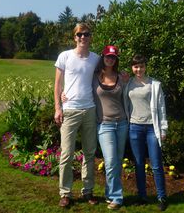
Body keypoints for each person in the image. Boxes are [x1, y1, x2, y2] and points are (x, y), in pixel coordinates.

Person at [54, 22, 100, 208]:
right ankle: (65, 193)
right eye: (80, 34)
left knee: (89, 153)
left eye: (86, 34)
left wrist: (123, 76)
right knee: (66, 154)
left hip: (89, 110)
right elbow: (57, 85)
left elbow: (108, 73)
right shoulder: (65, 56)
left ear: (90, 37)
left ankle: (87, 191)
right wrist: (58, 107)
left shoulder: (96, 58)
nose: (83, 37)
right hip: (70, 110)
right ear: (75, 37)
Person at [124, 54, 168, 211]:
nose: (139, 69)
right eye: (136, 66)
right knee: (139, 164)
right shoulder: (128, 84)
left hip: (151, 129)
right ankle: (142, 196)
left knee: (156, 165)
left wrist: (163, 128)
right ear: (132, 68)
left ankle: (161, 197)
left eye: (141, 66)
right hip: (134, 127)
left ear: (145, 66)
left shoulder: (154, 84)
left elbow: (161, 107)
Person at [93, 45, 128, 210]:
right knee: (110, 161)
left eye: (113, 57)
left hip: (121, 124)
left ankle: (109, 193)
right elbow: (79, 86)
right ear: (103, 57)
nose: (110, 59)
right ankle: (116, 197)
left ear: (116, 59)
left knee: (117, 162)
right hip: (104, 125)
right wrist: (64, 95)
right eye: (108, 56)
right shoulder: (94, 77)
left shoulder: (121, 77)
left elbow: (129, 95)